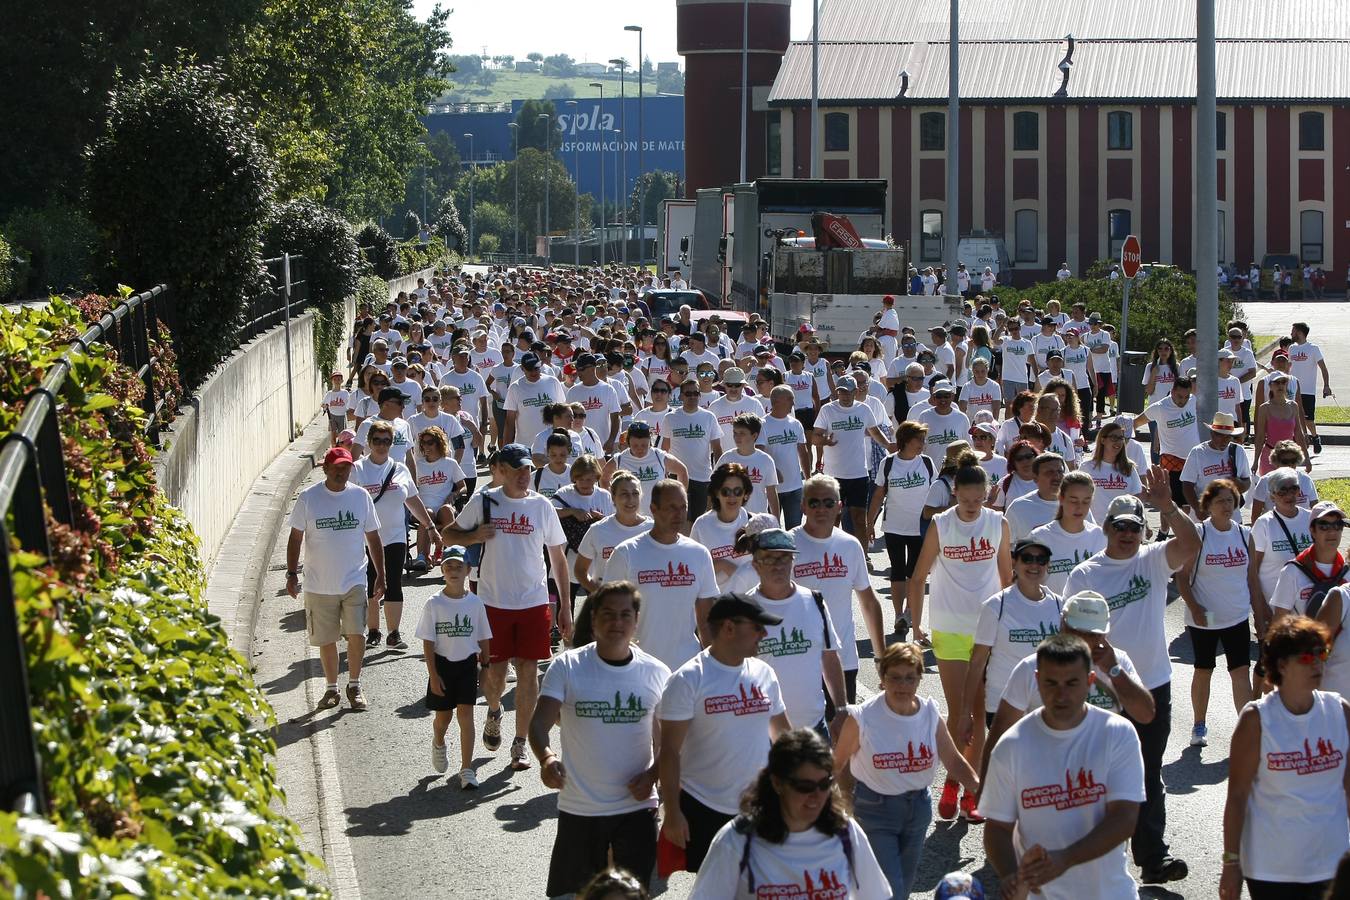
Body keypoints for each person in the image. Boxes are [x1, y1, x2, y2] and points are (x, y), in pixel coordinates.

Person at [1063, 477, 1200, 885]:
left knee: (1148, 771)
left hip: (1151, 684)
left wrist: (1169, 507)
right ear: (1105, 528)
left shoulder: (1153, 559)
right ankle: (1093, 859)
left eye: (1134, 527)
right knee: (1099, 776)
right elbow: (1067, 633)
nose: (1127, 534)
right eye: (1119, 526)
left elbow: (1191, 545)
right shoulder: (1085, 574)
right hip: (1101, 690)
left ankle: (1152, 859)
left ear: (1143, 530)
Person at [530, 582, 672, 896]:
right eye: (608, 614)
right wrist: (547, 758)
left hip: (636, 808)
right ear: (593, 619)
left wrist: (653, 775)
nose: (616, 622)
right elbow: (539, 724)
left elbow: (671, 744)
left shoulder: (657, 673)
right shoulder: (567, 667)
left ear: (636, 621)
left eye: (625, 615)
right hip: (580, 808)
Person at [982, 634, 1145, 900]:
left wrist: (1066, 858)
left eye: (1071, 683)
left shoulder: (1117, 734)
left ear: (1090, 681)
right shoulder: (1012, 746)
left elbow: (1125, 818)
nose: (1061, 694)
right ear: (1036, 680)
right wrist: (1011, 875)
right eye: (1051, 683)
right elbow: (997, 829)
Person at [444, 444, 571, 772]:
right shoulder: (484, 501)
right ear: (501, 470)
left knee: (529, 671)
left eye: (528, 469)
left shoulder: (542, 506)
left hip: (533, 601)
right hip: (493, 602)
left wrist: (565, 607)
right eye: (517, 470)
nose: (524, 476)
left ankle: (520, 743)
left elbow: (557, 557)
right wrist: (473, 536)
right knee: (495, 675)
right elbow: (448, 536)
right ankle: (495, 709)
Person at [908, 461, 1012, 821]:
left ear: (987, 494)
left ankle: (972, 790)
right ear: (955, 493)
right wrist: (915, 623)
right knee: (959, 712)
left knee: (980, 714)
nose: (971, 506)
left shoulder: (998, 524)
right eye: (965, 500)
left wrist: (1011, 625)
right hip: (949, 625)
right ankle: (952, 782)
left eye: (978, 499)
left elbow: (1007, 578)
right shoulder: (941, 524)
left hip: (987, 630)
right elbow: (919, 574)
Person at [832, 642, 978, 899]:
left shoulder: (930, 713)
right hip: (874, 810)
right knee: (891, 891)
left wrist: (986, 792)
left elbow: (953, 761)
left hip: (918, 809)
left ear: (920, 678)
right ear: (882, 678)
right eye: (895, 678)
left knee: (903, 886)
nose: (903, 685)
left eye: (910, 678)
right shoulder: (863, 717)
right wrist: (845, 805)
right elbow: (838, 763)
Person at [659, 592, 791, 872]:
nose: (764, 633)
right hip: (704, 806)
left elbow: (784, 740)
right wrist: (672, 813)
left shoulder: (764, 673)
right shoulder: (687, 679)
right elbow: (669, 751)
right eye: (756, 626)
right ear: (729, 628)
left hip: (759, 806)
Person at [1220, 616, 1350, 900]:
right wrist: (1231, 863)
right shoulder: (1256, 719)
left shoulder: (1340, 711)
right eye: (1306, 657)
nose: (1317, 663)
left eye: (1322, 654)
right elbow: (1238, 796)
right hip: (1271, 869)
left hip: (1331, 864)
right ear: (1281, 665)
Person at [688, 728, 892, 899]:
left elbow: (876, 896)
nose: (817, 795)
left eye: (824, 784)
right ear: (777, 783)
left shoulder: (846, 832)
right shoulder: (737, 841)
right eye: (805, 786)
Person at [982, 591, 1156, 780]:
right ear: (1062, 625)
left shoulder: (1117, 663)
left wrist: (1114, 671)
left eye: (1092, 634)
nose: (1084, 640)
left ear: (1104, 634)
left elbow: (1145, 714)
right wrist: (985, 793)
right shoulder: (1031, 668)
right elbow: (999, 737)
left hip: (1099, 783)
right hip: (1043, 781)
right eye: (1077, 631)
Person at [285, 447, 384, 711]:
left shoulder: (361, 497)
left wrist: (381, 575)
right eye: (337, 467)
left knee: (356, 633)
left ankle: (354, 684)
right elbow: (295, 537)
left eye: (346, 467)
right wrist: (292, 573)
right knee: (327, 639)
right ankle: (332, 688)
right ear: (326, 469)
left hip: (354, 579)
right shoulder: (309, 498)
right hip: (319, 583)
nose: (341, 472)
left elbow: (373, 538)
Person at [960, 537, 1065, 761]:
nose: (1034, 565)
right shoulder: (997, 605)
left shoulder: (1058, 605)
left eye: (1041, 560)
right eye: (1027, 558)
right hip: (1003, 705)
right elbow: (977, 662)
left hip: (1045, 705)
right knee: (1012, 772)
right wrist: (965, 712)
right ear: (1014, 562)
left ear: (1048, 565)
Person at [606, 480, 719, 670]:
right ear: (653, 509)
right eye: (671, 507)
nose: (679, 514)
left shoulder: (699, 554)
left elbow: (706, 621)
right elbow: (608, 614)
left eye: (683, 507)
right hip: (638, 667)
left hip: (687, 668)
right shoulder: (626, 553)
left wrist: (713, 666)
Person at [746, 528, 847, 737]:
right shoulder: (745, 610)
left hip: (814, 729)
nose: (778, 566)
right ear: (755, 564)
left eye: (784, 558)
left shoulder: (814, 601)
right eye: (769, 559)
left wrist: (841, 708)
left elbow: (829, 656)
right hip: (761, 734)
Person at [1176, 478, 1254, 749]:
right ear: (1207, 505)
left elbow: (1252, 579)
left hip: (1237, 616)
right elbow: (1182, 578)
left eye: (1230, 500)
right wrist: (1195, 608)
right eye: (1220, 500)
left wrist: (1261, 613)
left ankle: (1246, 728)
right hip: (1204, 619)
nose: (1226, 505)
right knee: (1204, 669)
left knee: (1241, 672)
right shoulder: (1198, 535)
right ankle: (1199, 724)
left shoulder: (1245, 534)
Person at [352, 420, 441, 648]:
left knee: (394, 582)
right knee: (371, 580)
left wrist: (430, 527)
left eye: (387, 441)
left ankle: (394, 633)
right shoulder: (358, 469)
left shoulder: (399, 469)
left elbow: (413, 500)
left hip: (395, 536)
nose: (382, 445)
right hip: (366, 537)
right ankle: (373, 631)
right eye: (377, 441)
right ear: (369, 442)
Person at [415, 548, 491, 789]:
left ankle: (467, 769)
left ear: (468, 570)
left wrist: (486, 667)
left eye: (459, 567)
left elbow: (483, 638)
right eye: (448, 567)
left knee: (466, 716)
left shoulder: (475, 603)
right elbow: (428, 641)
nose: (454, 572)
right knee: (443, 718)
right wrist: (433, 675)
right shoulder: (434, 604)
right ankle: (438, 741)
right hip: (442, 666)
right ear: (442, 571)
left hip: (467, 665)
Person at [867, 422, 935, 628]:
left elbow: (937, 492)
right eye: (919, 440)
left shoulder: (927, 462)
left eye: (923, 440)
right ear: (905, 440)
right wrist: (869, 522)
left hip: (920, 527)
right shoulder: (888, 463)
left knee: (915, 573)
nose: (922, 444)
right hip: (894, 526)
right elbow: (879, 494)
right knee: (897, 570)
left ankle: (909, 612)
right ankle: (898, 615)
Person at [813, 376, 896, 538]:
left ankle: (862, 558)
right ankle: (831, 555)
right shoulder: (827, 410)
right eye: (841, 392)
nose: (844, 396)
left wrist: (888, 445)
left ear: (855, 391)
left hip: (859, 474)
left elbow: (875, 431)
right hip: (833, 476)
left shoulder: (864, 409)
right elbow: (814, 437)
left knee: (859, 519)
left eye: (848, 392)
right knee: (833, 519)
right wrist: (824, 441)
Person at [1271, 501, 1349, 626]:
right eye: (1324, 526)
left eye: (1338, 525)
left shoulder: (1347, 570)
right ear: (1312, 530)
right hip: (1305, 644)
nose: (1332, 532)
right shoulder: (1292, 572)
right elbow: (1279, 621)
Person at [575, 471, 652, 593]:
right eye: (624, 494)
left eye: (635, 493)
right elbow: (580, 570)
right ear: (613, 497)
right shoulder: (598, 529)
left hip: (646, 604)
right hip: (610, 607)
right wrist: (599, 594)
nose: (630, 499)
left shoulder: (653, 528)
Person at [1136, 375, 1199, 522]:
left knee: (1188, 501)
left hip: (1192, 459)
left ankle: (1185, 530)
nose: (1182, 401)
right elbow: (1136, 423)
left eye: (1185, 396)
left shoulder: (1193, 401)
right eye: (1179, 396)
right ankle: (1163, 532)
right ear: (1172, 391)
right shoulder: (1160, 407)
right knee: (1169, 500)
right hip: (1171, 458)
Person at [663, 378, 723, 523]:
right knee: (678, 520)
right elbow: (665, 448)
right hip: (676, 477)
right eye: (688, 394)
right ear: (681, 396)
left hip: (703, 477)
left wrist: (719, 476)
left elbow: (717, 448)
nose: (692, 397)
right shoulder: (670, 417)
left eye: (696, 393)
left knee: (699, 520)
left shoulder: (709, 417)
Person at [1180, 412, 1252, 520]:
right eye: (1220, 435)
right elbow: (1187, 485)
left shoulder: (1238, 451)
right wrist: (1197, 508)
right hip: (1204, 515)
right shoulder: (1198, 452)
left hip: (1232, 516)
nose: (1225, 440)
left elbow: (1247, 480)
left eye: (1228, 436)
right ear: (1212, 433)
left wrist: (1240, 484)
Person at [692, 463, 753, 588]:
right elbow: (693, 570)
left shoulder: (755, 523)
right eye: (726, 491)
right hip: (717, 602)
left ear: (745, 494)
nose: (732, 497)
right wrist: (722, 565)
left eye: (738, 491)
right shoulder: (701, 526)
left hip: (752, 601)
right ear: (716, 493)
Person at [758, 385, 811, 529]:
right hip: (771, 489)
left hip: (795, 488)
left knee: (794, 531)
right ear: (776, 401)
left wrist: (808, 480)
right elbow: (758, 453)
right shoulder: (763, 424)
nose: (794, 403)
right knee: (772, 531)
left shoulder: (796, 424)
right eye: (790, 399)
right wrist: (773, 469)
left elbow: (803, 453)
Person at [717, 414, 781, 518]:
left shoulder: (766, 460)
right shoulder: (726, 458)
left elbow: (772, 494)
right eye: (735, 433)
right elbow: (714, 488)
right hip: (731, 519)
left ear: (754, 435)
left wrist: (776, 521)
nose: (737, 437)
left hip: (758, 519)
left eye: (742, 433)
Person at [1080, 421, 1143, 524]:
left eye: (1121, 438)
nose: (1118, 442)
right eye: (1113, 438)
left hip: (1121, 529)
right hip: (1094, 529)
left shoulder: (1129, 468)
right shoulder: (1086, 467)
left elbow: (1137, 498)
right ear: (1103, 440)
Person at [1004, 452, 1070, 544]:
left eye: (1060, 471)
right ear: (1035, 478)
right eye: (1049, 472)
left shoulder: (1075, 503)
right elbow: (1005, 546)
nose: (1057, 476)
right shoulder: (1018, 508)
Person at [504, 351, 567, 446]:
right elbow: (510, 421)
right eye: (529, 369)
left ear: (541, 365)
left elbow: (563, 412)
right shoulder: (515, 387)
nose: (533, 372)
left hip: (552, 445)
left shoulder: (553, 382)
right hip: (525, 446)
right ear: (522, 368)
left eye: (536, 368)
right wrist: (506, 448)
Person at [1253, 372, 1309, 475]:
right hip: (1269, 456)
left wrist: (1307, 458)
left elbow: (1298, 434)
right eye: (1277, 383)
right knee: (1269, 489)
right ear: (1270, 386)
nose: (1280, 385)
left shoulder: (1293, 406)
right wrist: (1255, 461)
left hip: (1289, 458)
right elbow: (1260, 437)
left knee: (1286, 490)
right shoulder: (1264, 408)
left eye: (1283, 382)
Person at [1289, 322, 1331, 454]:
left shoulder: (1313, 348)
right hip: (1292, 391)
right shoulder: (1291, 348)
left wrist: (1326, 386)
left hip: (1307, 391)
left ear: (1300, 333)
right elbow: (1288, 368)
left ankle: (1315, 437)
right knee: (1294, 419)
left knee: (1308, 420)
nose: (1291, 334)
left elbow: (1323, 368)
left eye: (1293, 331)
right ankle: (1303, 444)